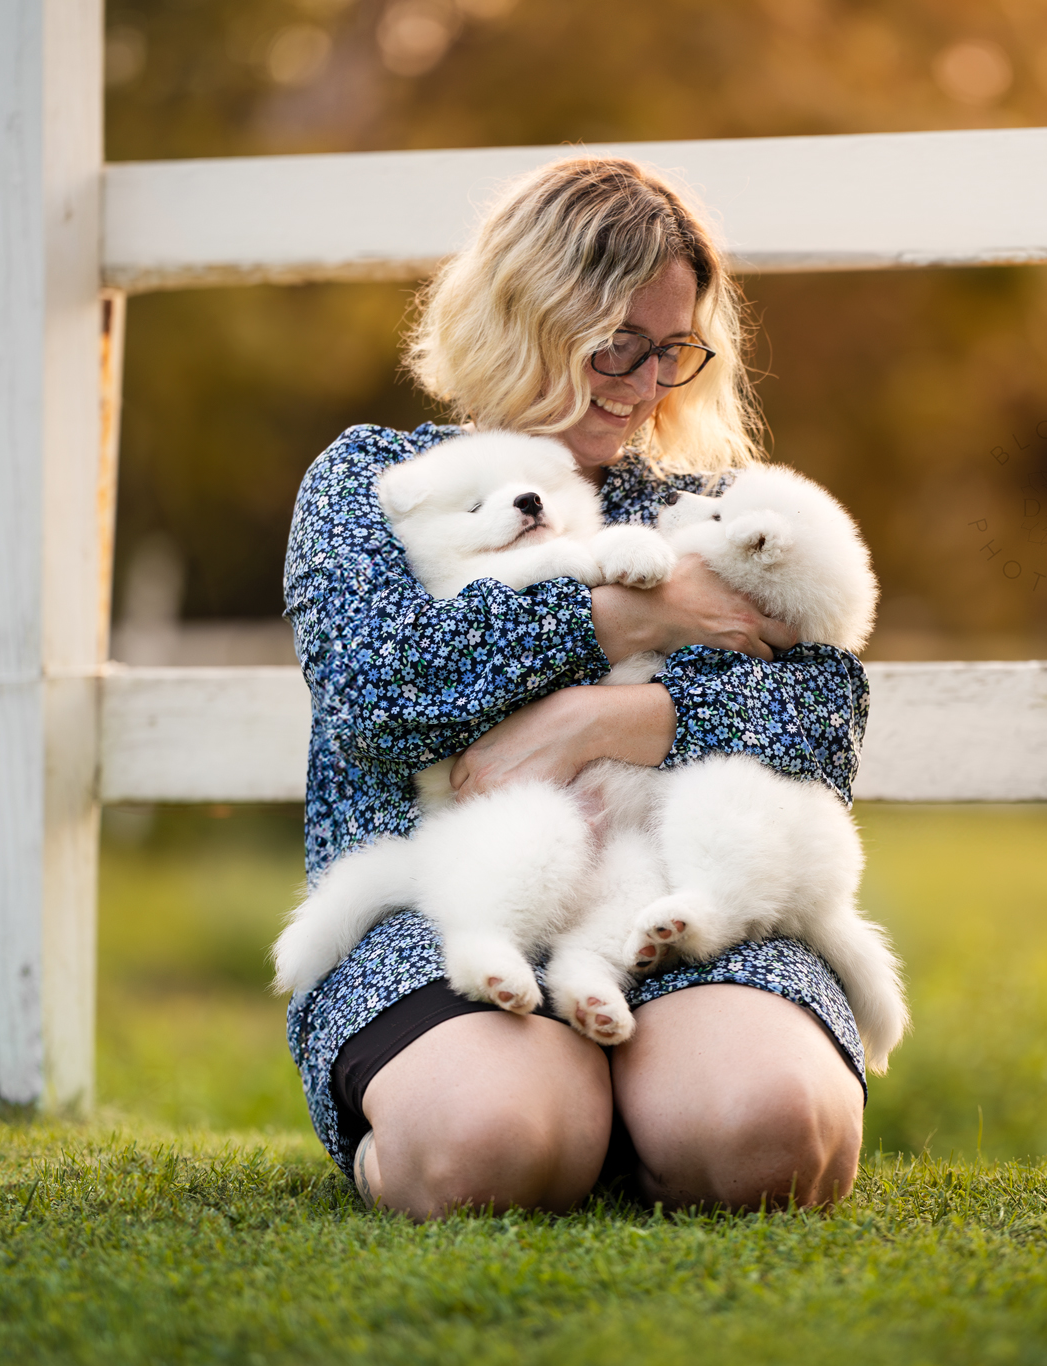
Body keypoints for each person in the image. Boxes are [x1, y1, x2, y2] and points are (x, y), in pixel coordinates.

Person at [282, 156, 871, 1219]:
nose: (645, 386)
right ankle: (469, 1123)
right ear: (526, 312)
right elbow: (377, 696)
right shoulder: (374, 480)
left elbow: (824, 714)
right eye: (616, 344)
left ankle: (636, 1111)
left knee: (774, 1139)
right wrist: (624, 614)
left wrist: (612, 718)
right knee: (483, 1150)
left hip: (675, 889)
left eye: (672, 351)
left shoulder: (708, 504)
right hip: (441, 904)